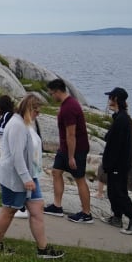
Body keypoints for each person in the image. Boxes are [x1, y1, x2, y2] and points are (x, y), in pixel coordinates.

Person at [0, 94, 65, 258]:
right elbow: (17, 156)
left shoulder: (27, 123)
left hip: (30, 176)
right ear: (29, 108)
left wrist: (31, 176)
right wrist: (26, 179)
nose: (38, 115)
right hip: (14, 178)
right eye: (36, 111)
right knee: (9, 211)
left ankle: (43, 249)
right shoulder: (17, 125)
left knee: (37, 210)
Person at [43, 79, 92, 223]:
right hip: (64, 148)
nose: (52, 96)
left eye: (52, 94)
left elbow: (71, 134)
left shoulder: (69, 107)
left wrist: (71, 157)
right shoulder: (67, 104)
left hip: (76, 149)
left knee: (79, 178)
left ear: (58, 91)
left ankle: (86, 213)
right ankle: (57, 206)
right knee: (56, 172)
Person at [99, 87, 132, 235]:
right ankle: (117, 217)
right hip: (115, 163)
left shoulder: (122, 120)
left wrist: (110, 163)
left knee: (119, 192)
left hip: (118, 164)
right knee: (112, 191)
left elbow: (116, 145)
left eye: (110, 97)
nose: (108, 99)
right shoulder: (120, 117)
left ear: (115, 99)